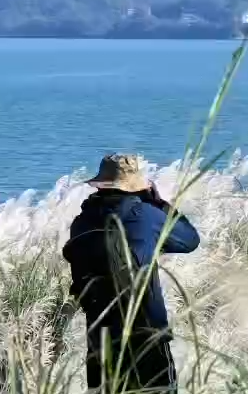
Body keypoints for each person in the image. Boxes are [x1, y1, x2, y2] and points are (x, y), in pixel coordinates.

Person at [62, 153, 201, 393]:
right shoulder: (147, 215)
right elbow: (189, 240)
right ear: (135, 186)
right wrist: (158, 203)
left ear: (101, 185)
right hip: (146, 336)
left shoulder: (80, 223)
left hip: (100, 339)